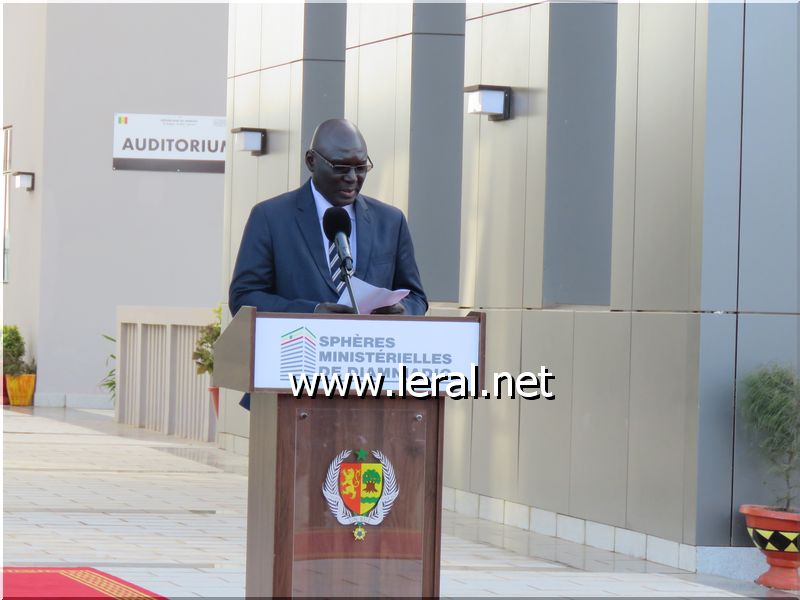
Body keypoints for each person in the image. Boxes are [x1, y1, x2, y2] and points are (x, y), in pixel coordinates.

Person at [229, 119, 428, 408]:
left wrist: (401, 312)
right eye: (341, 167)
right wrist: (312, 312)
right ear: (311, 161)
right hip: (290, 384)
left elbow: (416, 297)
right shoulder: (271, 218)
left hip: (377, 388)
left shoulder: (391, 220)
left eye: (361, 168)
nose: (352, 177)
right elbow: (244, 297)